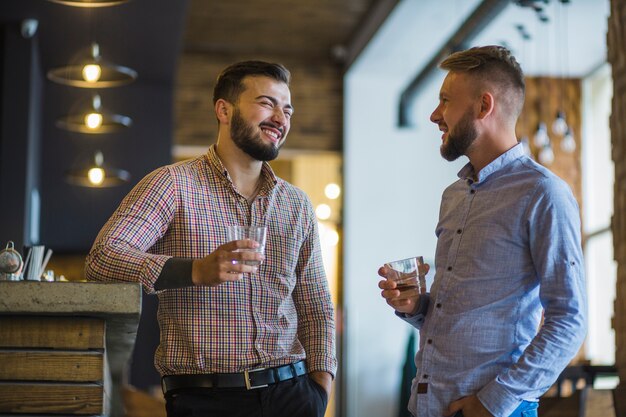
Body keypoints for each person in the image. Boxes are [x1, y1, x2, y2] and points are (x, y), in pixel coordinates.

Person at [86, 60, 336, 417]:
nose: (281, 118)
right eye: (267, 103)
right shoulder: (172, 184)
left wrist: (320, 389)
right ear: (223, 109)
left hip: (293, 395)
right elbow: (102, 258)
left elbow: (316, 306)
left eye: (287, 109)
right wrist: (195, 271)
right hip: (205, 400)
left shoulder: (296, 203)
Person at [378, 45, 587, 417]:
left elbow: (569, 319)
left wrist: (493, 404)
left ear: (483, 106)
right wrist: (415, 307)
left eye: (445, 100)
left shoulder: (543, 193)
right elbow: (460, 314)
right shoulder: (453, 195)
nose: (434, 115)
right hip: (426, 405)